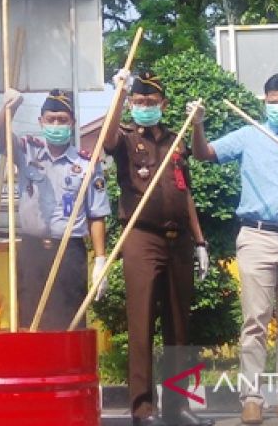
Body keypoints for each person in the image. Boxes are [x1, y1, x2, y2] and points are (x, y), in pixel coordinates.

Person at [189, 73, 278, 424]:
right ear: (264, 101)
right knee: (255, 321)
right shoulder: (249, 134)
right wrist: (197, 125)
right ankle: (252, 399)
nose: (276, 106)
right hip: (257, 236)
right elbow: (204, 154)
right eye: (271, 100)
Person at [103, 71, 214, 426]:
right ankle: (142, 408)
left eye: (151, 103)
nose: (144, 108)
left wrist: (200, 241)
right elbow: (105, 142)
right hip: (141, 236)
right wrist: (119, 94)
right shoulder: (126, 138)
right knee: (141, 321)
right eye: (139, 102)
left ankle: (179, 408)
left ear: (163, 105)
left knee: (179, 324)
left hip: (178, 238)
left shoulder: (175, 140)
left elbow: (186, 192)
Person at [0, 88, 110, 329]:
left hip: (69, 252)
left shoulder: (86, 163)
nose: (56, 124)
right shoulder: (27, 150)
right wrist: (9, 108)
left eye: (62, 120)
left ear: (73, 123)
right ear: (41, 121)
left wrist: (100, 260)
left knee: (69, 324)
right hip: (32, 250)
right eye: (51, 119)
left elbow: (96, 215)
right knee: (29, 322)